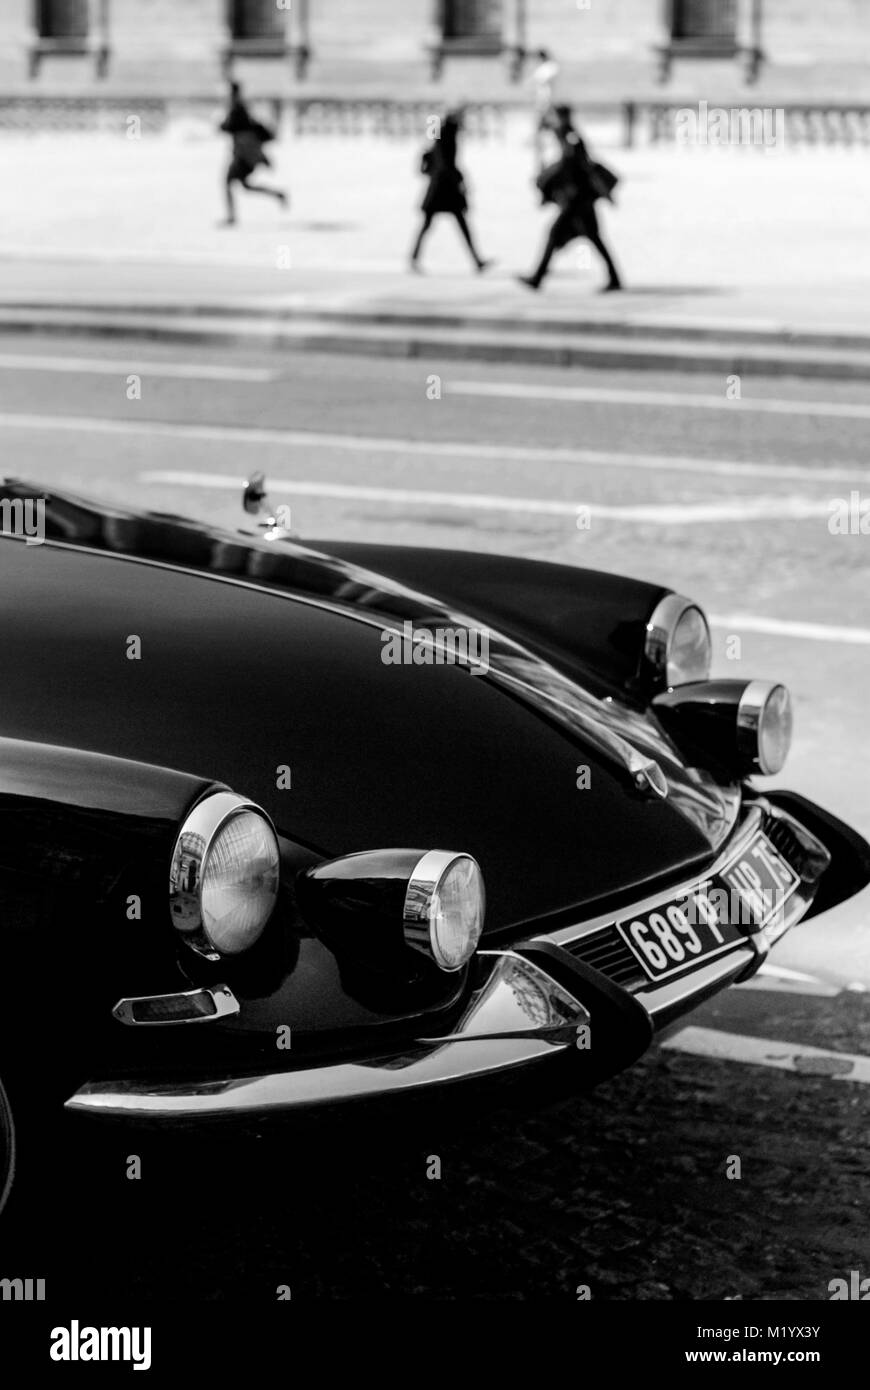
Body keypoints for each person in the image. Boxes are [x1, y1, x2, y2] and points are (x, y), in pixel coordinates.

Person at [517, 105, 622, 293]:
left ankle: (538, 277)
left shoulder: (571, 138)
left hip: (577, 199)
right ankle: (615, 279)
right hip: (578, 199)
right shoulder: (567, 135)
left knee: (556, 234)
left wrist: (545, 179)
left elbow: (575, 166)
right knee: (593, 238)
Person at [410, 110, 492, 274]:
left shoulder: (442, 131)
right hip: (443, 188)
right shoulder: (447, 133)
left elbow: (430, 145)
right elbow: (445, 162)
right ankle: (414, 258)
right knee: (449, 224)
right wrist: (460, 180)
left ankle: (414, 258)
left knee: (436, 225)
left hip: (440, 186)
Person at [219, 81, 287, 227]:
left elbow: (233, 127)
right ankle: (278, 194)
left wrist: (223, 126)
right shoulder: (239, 107)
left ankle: (231, 217)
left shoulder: (237, 107)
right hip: (246, 154)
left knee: (228, 182)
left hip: (244, 154)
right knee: (245, 186)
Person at [527, 47, 561, 169]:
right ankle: (542, 159)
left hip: (546, 104)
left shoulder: (550, 67)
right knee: (541, 133)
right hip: (541, 104)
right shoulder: (543, 68)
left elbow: (538, 81)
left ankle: (551, 158)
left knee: (553, 132)